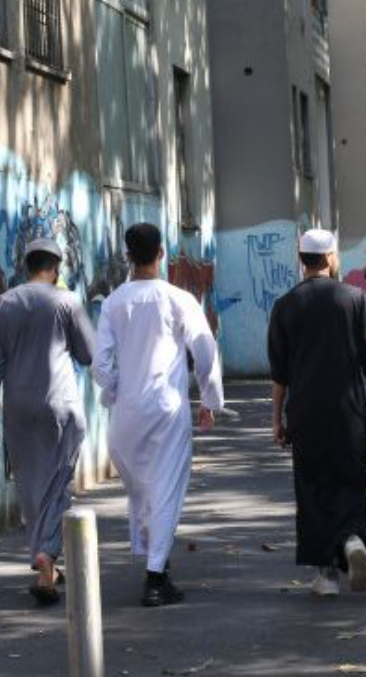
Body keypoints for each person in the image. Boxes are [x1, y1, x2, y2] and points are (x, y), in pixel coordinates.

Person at [91, 223, 224, 607]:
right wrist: (209, 399)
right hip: (167, 409)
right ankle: (154, 578)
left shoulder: (114, 303)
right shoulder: (179, 299)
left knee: (144, 492)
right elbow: (204, 350)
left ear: (128, 256)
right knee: (165, 490)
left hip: (126, 415)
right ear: (161, 253)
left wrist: (115, 391)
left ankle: (157, 563)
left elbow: (100, 365)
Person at [267, 229, 366, 597]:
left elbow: (280, 373)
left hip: (305, 411)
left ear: (302, 259)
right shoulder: (355, 298)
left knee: (312, 484)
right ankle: (354, 538)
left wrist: (276, 419)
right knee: (352, 478)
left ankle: (326, 574)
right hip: (348, 410)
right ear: (329, 258)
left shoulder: (285, 306)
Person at [0, 238, 96, 606]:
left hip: (19, 410)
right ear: (56, 268)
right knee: (58, 484)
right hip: (60, 407)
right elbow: (88, 354)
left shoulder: (3, 304)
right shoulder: (66, 301)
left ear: (26, 267)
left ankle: (45, 560)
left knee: (30, 489)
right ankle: (46, 556)